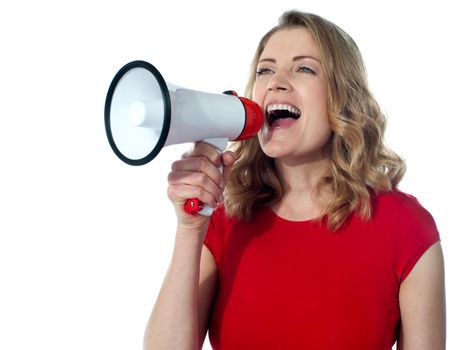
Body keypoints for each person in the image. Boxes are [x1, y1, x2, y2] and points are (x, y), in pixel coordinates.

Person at [143, 10, 446, 350]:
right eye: (265, 69)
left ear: (342, 96)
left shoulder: (406, 228)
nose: (276, 81)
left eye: (304, 68)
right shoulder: (223, 220)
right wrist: (189, 229)